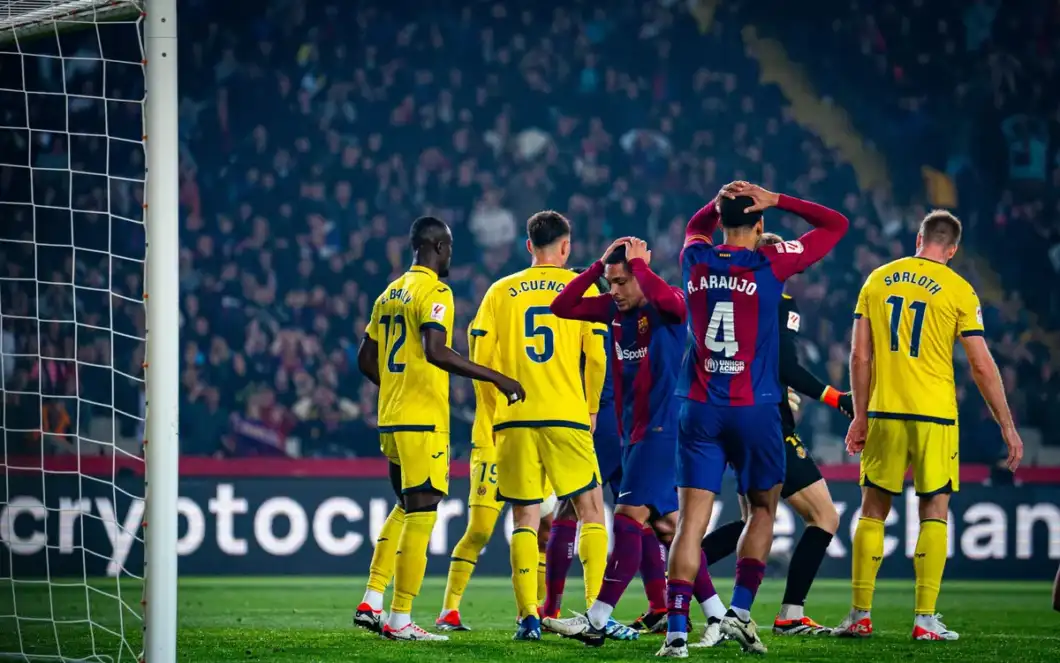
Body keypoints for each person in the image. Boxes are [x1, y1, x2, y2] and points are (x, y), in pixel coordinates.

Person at [659, 181, 848, 658]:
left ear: (722, 221)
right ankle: (740, 613)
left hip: (699, 407)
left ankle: (676, 634)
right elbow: (836, 225)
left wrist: (718, 201)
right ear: (760, 224)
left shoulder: (694, 260)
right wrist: (778, 199)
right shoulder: (771, 262)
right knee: (762, 510)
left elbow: (695, 226)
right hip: (754, 409)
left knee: (690, 525)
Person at [835, 210, 1023, 641]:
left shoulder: (878, 279)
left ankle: (860, 615)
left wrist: (861, 415)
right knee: (934, 511)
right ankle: (924, 620)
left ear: (918, 239)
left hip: (884, 411)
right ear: (952, 249)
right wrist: (1007, 425)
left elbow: (859, 356)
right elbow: (981, 364)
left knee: (873, 510)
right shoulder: (959, 289)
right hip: (934, 414)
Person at [352, 216, 525, 641]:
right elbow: (436, 350)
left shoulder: (389, 293)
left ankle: (372, 599)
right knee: (423, 512)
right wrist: (496, 377)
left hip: (391, 417)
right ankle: (400, 618)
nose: (450, 255)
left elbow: (365, 359)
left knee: (405, 505)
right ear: (438, 247)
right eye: (448, 247)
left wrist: (396, 387)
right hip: (422, 419)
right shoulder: (436, 292)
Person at [694, 231, 854, 643]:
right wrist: (835, 397)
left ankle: (682, 571)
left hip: (727, 415)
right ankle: (789, 612)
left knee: (752, 520)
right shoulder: (779, 302)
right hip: (768, 425)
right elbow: (785, 364)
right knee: (824, 517)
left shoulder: (725, 296)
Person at [543, 237, 694, 645]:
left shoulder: (665, 305)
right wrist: (597, 268)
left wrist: (640, 268)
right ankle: (716, 614)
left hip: (652, 429)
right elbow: (561, 306)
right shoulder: (612, 309)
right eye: (610, 283)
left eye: (621, 282)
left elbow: (674, 305)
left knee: (621, 517)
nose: (614, 291)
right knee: (668, 527)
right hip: (631, 432)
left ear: (640, 275)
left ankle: (592, 617)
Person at [469, 210, 609, 641]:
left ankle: (528, 617)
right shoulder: (581, 287)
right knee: (591, 510)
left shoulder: (499, 291)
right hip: (566, 413)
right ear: (566, 247)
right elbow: (598, 357)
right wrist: (591, 409)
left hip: (514, 418)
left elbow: (479, 360)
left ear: (529, 246)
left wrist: (494, 412)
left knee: (525, 518)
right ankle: (596, 613)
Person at [435, 327, 557, 631]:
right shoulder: (493, 326)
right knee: (479, 530)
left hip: (538, 438)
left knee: (544, 530)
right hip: (492, 440)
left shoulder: (545, 335)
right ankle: (449, 610)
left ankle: (532, 610)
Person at [540, 267, 629, 627]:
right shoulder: (622, 319)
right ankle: (660, 603)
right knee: (640, 514)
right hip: (622, 419)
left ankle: (562, 607)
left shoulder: (580, 321)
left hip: (591, 416)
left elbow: (591, 366)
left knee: (573, 509)